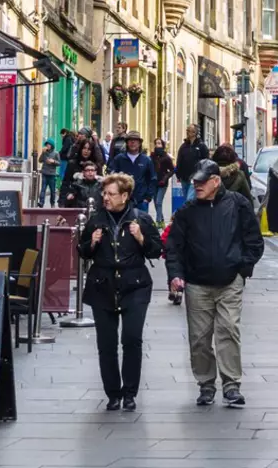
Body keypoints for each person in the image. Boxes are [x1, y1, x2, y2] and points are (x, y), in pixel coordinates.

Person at [165, 161, 263, 408]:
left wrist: (243, 270)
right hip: (197, 284)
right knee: (199, 338)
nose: (196, 185)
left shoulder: (238, 205)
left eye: (201, 181)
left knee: (229, 331)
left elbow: (254, 241)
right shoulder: (187, 211)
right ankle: (206, 384)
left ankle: (231, 385)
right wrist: (175, 274)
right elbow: (174, 247)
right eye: (195, 182)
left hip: (230, 281)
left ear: (216, 181)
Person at [76, 172, 162, 411]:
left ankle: (130, 392)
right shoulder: (96, 220)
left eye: (111, 194)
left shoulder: (141, 219)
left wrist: (141, 237)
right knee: (106, 343)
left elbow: (156, 251)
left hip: (134, 285)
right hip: (102, 285)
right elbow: (83, 252)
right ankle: (113, 393)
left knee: (132, 339)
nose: (106, 198)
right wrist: (91, 243)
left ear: (124, 196)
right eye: (104, 193)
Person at [112, 131, 157, 214]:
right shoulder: (119, 159)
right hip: (123, 199)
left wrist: (148, 197)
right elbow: (113, 177)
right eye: (130, 140)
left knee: (141, 224)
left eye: (135, 140)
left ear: (139, 143)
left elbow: (153, 179)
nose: (133, 142)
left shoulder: (146, 160)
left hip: (141, 201)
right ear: (127, 143)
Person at [173, 127, 204, 215]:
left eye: (189, 130)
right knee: (187, 198)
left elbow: (205, 160)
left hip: (195, 177)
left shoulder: (201, 146)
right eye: (186, 130)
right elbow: (179, 160)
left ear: (194, 132)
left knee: (189, 199)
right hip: (184, 177)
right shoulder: (183, 146)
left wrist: (202, 174)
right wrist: (178, 174)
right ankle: (192, 215)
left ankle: (186, 217)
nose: (187, 132)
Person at [149, 138, 175, 223]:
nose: (157, 145)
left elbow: (172, 170)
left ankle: (158, 221)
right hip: (154, 182)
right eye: (156, 143)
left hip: (163, 183)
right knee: (156, 203)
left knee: (158, 202)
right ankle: (162, 220)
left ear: (162, 145)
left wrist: (166, 177)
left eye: (159, 143)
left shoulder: (166, 157)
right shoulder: (152, 156)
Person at [38, 139, 61, 205]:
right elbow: (40, 160)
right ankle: (41, 203)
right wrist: (42, 153)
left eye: (49, 144)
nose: (47, 146)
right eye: (46, 144)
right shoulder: (44, 152)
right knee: (43, 189)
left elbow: (59, 163)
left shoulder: (56, 153)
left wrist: (53, 161)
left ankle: (52, 203)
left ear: (52, 145)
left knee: (52, 190)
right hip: (44, 173)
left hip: (52, 174)